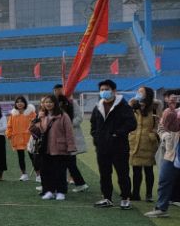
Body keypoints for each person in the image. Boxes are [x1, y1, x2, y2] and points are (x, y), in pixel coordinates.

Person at [90, 78, 137, 209]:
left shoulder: (123, 106)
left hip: (119, 146)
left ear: (114, 91)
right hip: (102, 147)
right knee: (104, 174)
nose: (104, 91)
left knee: (122, 173)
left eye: (107, 89)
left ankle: (125, 198)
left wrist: (117, 134)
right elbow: (93, 124)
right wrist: (96, 137)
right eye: (102, 90)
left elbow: (132, 124)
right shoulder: (97, 107)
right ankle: (107, 198)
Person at [31, 94, 76, 200]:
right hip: (45, 148)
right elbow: (37, 130)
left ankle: (61, 192)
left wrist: (70, 147)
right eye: (46, 102)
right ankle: (48, 191)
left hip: (59, 148)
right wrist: (38, 119)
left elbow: (69, 132)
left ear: (55, 103)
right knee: (46, 171)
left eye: (50, 102)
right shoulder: (42, 115)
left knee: (60, 171)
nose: (48, 104)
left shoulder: (63, 116)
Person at [146, 90, 180, 218]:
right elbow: (162, 127)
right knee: (164, 179)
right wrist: (165, 135)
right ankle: (161, 208)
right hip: (172, 152)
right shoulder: (173, 112)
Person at [52, 85, 89, 193]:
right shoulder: (53, 104)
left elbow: (79, 118)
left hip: (71, 137)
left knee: (69, 162)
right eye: (56, 90)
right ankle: (77, 183)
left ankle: (77, 183)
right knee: (66, 162)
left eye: (60, 90)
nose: (58, 92)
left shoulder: (72, 103)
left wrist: (67, 125)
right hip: (58, 138)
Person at [129, 87, 159, 203]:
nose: (138, 93)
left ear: (148, 94)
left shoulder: (154, 108)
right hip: (135, 142)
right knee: (136, 170)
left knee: (148, 170)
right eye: (138, 91)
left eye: (141, 92)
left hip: (149, 143)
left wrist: (153, 134)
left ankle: (149, 194)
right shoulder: (133, 107)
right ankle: (135, 193)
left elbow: (159, 124)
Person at [6, 96, 36, 181]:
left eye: (21, 101)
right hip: (18, 138)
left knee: (33, 157)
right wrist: (9, 134)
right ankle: (24, 174)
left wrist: (35, 135)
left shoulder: (31, 113)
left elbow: (36, 124)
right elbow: (9, 126)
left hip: (30, 138)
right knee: (21, 157)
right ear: (15, 104)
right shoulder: (13, 114)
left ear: (25, 103)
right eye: (18, 102)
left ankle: (38, 174)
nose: (19, 103)